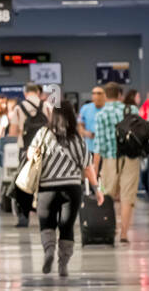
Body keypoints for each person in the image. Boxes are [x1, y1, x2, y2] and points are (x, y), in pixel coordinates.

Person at [26, 101, 101, 277]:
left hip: (47, 189)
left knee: (47, 223)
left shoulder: (43, 134)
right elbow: (88, 167)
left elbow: (30, 155)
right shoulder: (76, 138)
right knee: (67, 227)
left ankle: (49, 252)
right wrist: (97, 189)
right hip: (71, 189)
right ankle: (63, 265)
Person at [90, 82, 140, 244]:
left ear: (105, 95)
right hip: (131, 158)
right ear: (120, 95)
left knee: (108, 196)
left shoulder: (101, 115)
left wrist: (95, 170)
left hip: (110, 160)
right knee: (128, 196)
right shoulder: (132, 110)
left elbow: (98, 145)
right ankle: (124, 234)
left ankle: (110, 229)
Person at [8, 84, 52, 227]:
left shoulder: (18, 109)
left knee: (24, 182)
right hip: (45, 149)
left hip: (26, 151)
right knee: (45, 181)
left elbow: (13, 132)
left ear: (25, 93)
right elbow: (53, 126)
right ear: (38, 92)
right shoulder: (46, 106)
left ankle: (24, 216)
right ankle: (48, 213)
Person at [78, 86, 104, 157]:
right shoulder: (85, 108)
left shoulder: (108, 109)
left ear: (104, 95)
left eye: (99, 93)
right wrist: (84, 132)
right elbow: (80, 125)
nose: (96, 96)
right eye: (94, 93)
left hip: (104, 149)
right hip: (89, 148)